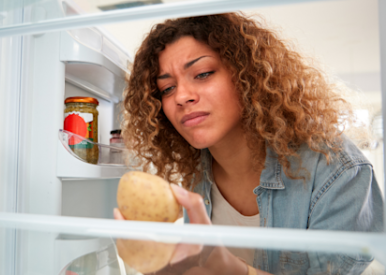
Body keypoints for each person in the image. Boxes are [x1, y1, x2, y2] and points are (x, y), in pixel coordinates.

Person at [113, 13, 384, 274]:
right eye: (167, 89)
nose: (181, 96)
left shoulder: (339, 170)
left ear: (248, 75)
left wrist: (234, 271)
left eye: (203, 73)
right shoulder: (194, 173)